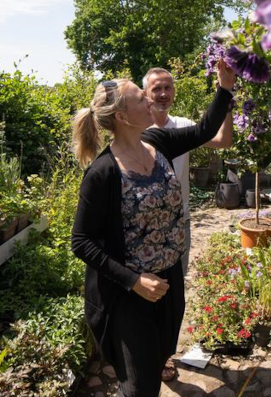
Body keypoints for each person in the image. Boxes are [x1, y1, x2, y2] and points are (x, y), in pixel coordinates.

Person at [71, 60, 236, 397]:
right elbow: (81, 241)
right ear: (122, 116)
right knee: (140, 385)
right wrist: (133, 280)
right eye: (140, 99)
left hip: (169, 279)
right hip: (130, 293)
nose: (152, 101)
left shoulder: (157, 142)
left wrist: (225, 85)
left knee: (161, 353)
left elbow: (205, 131)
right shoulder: (103, 173)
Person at [142, 67, 232, 276]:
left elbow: (223, 141)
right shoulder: (137, 131)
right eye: (157, 89)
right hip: (145, 220)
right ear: (145, 93)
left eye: (168, 88)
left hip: (180, 219)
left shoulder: (183, 125)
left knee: (177, 278)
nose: (163, 94)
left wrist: (227, 106)